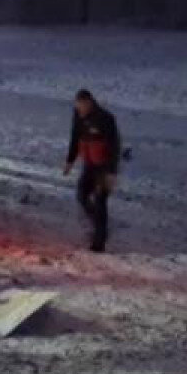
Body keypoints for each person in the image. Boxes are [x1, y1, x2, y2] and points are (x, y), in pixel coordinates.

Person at [63, 89, 121, 252]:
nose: (80, 109)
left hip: (104, 166)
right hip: (89, 163)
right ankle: (98, 225)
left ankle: (99, 242)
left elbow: (115, 146)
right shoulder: (78, 116)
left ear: (89, 103)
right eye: (77, 106)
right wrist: (70, 161)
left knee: (101, 200)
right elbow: (75, 137)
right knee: (82, 194)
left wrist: (111, 172)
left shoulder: (105, 119)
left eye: (82, 106)